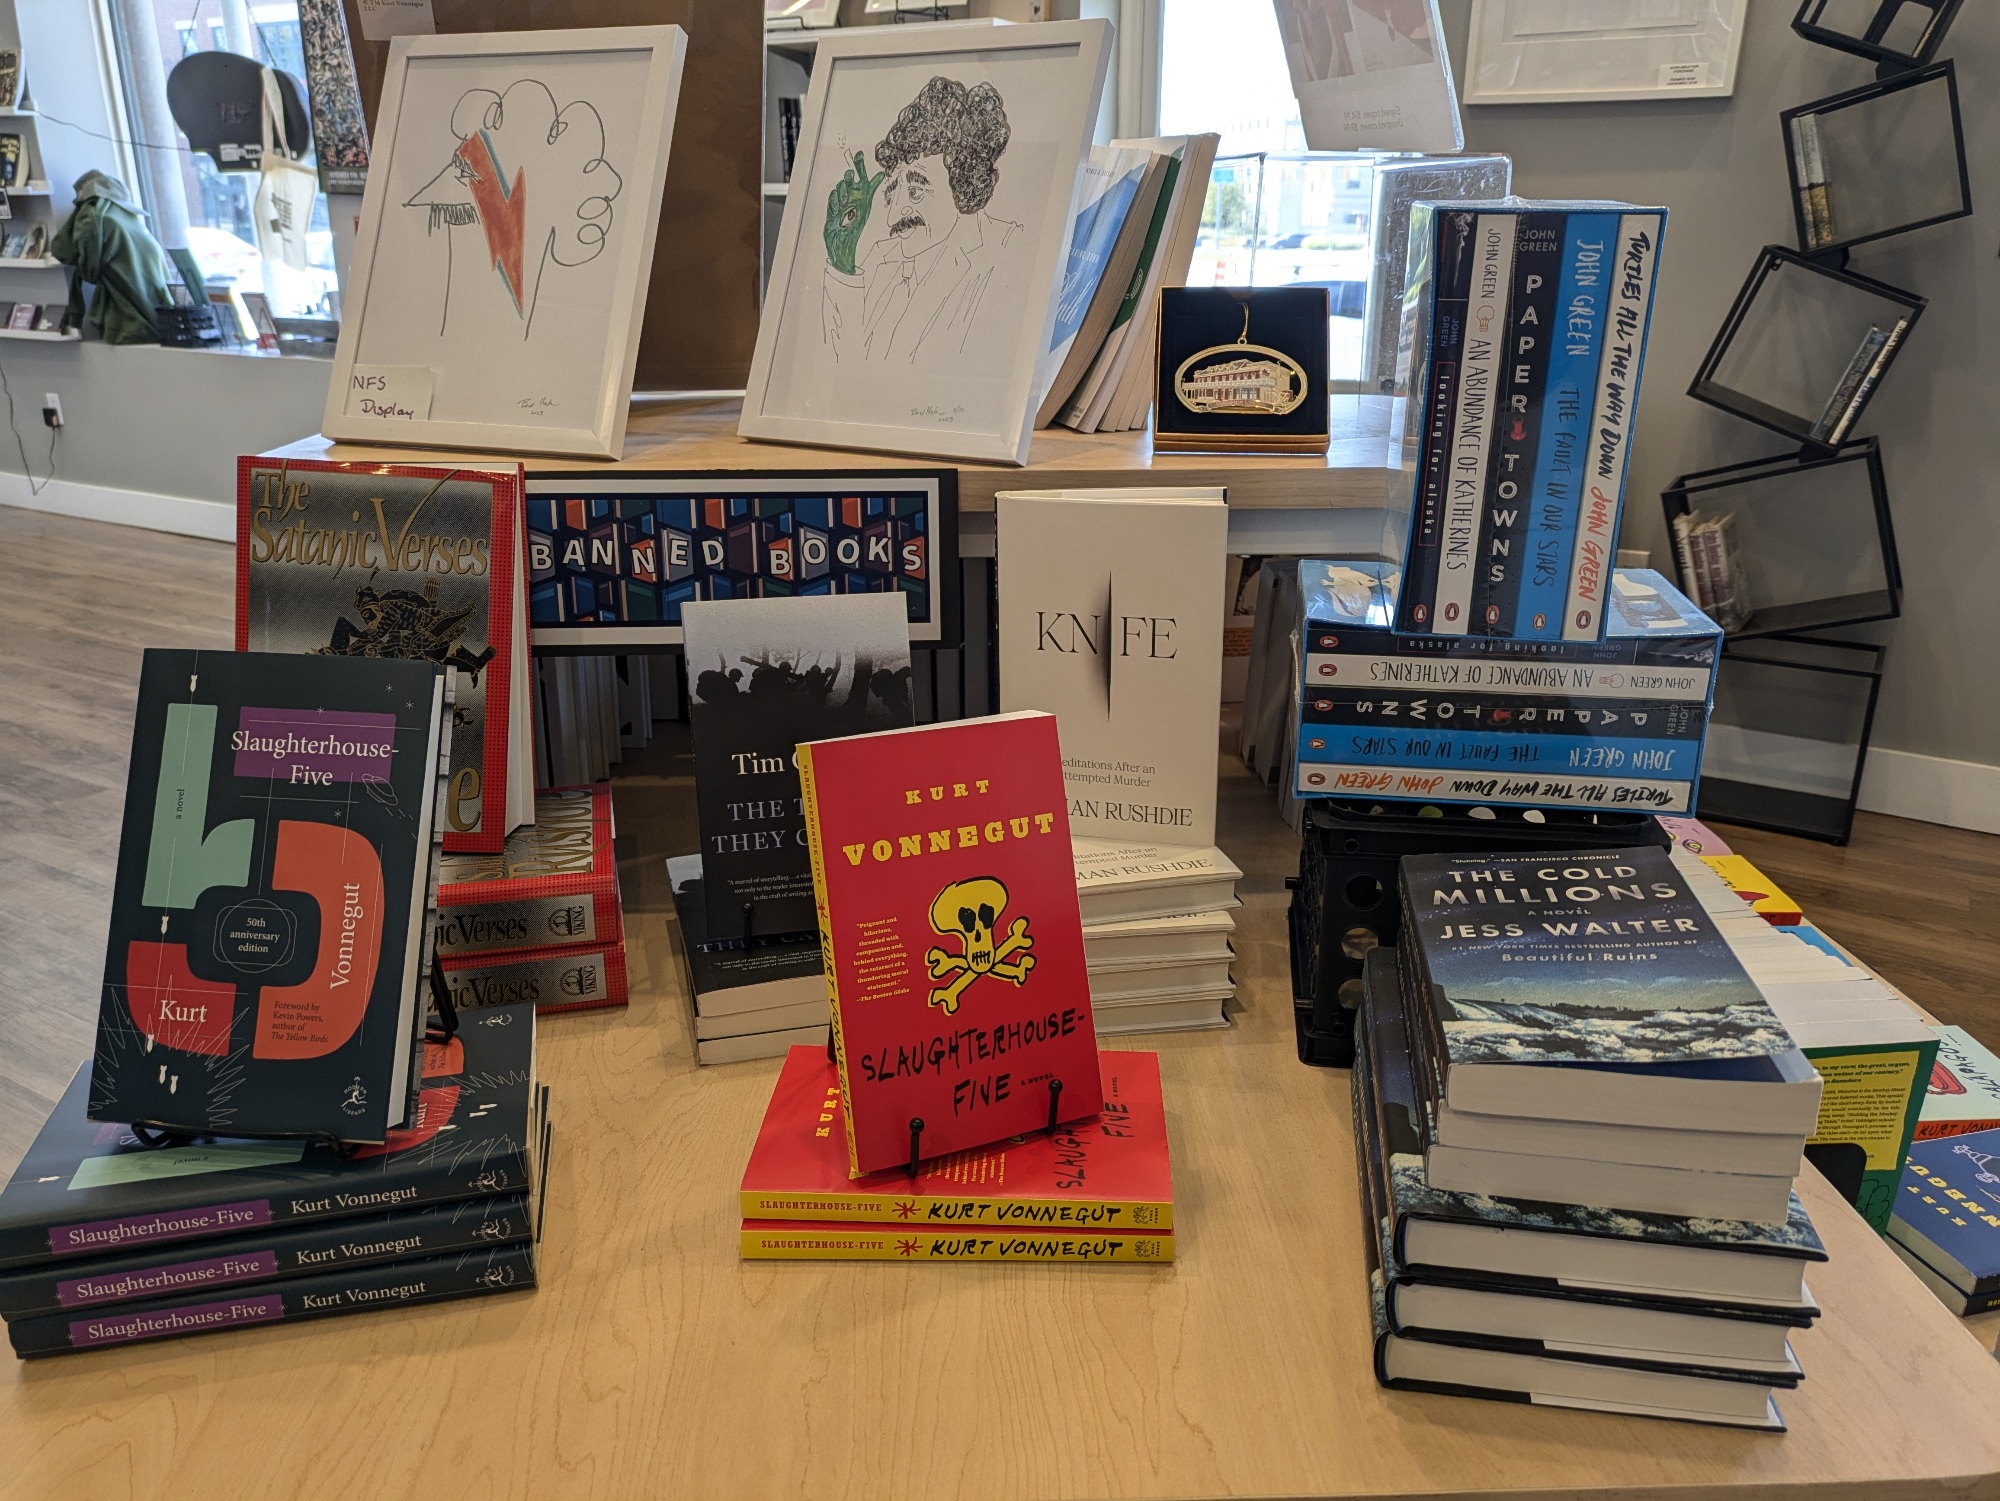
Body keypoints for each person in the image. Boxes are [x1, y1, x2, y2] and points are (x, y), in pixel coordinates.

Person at [821, 76, 1017, 363]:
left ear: (962, 179)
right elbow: (843, 366)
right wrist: (842, 266)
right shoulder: (882, 257)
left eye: (915, 191)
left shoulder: (1005, 251)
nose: (893, 215)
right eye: (890, 195)